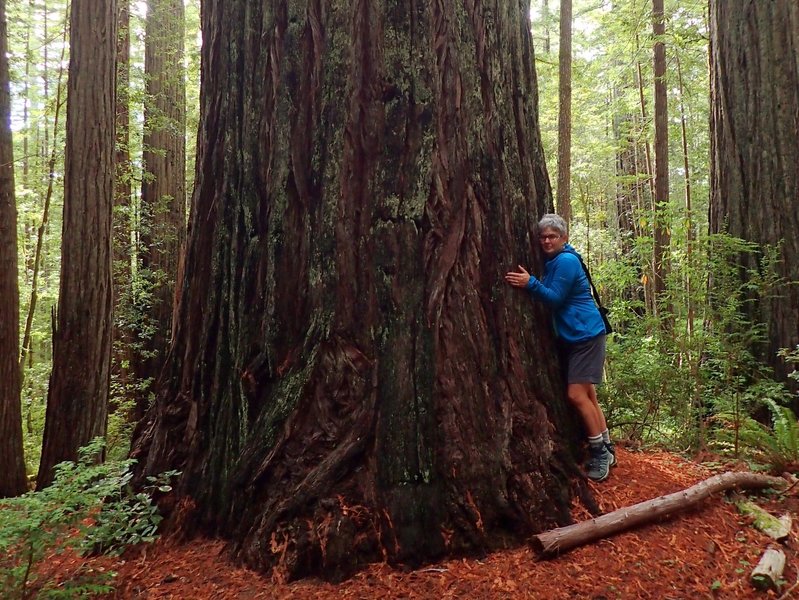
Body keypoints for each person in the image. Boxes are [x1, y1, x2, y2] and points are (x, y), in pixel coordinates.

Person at [504, 213, 615, 482]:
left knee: (577, 396)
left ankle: (600, 454)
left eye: (552, 236)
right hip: (580, 334)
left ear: (563, 238)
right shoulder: (558, 259)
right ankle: (607, 448)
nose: (546, 241)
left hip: (585, 335)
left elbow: (554, 298)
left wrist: (529, 282)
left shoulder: (564, 261)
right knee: (588, 395)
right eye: (542, 237)